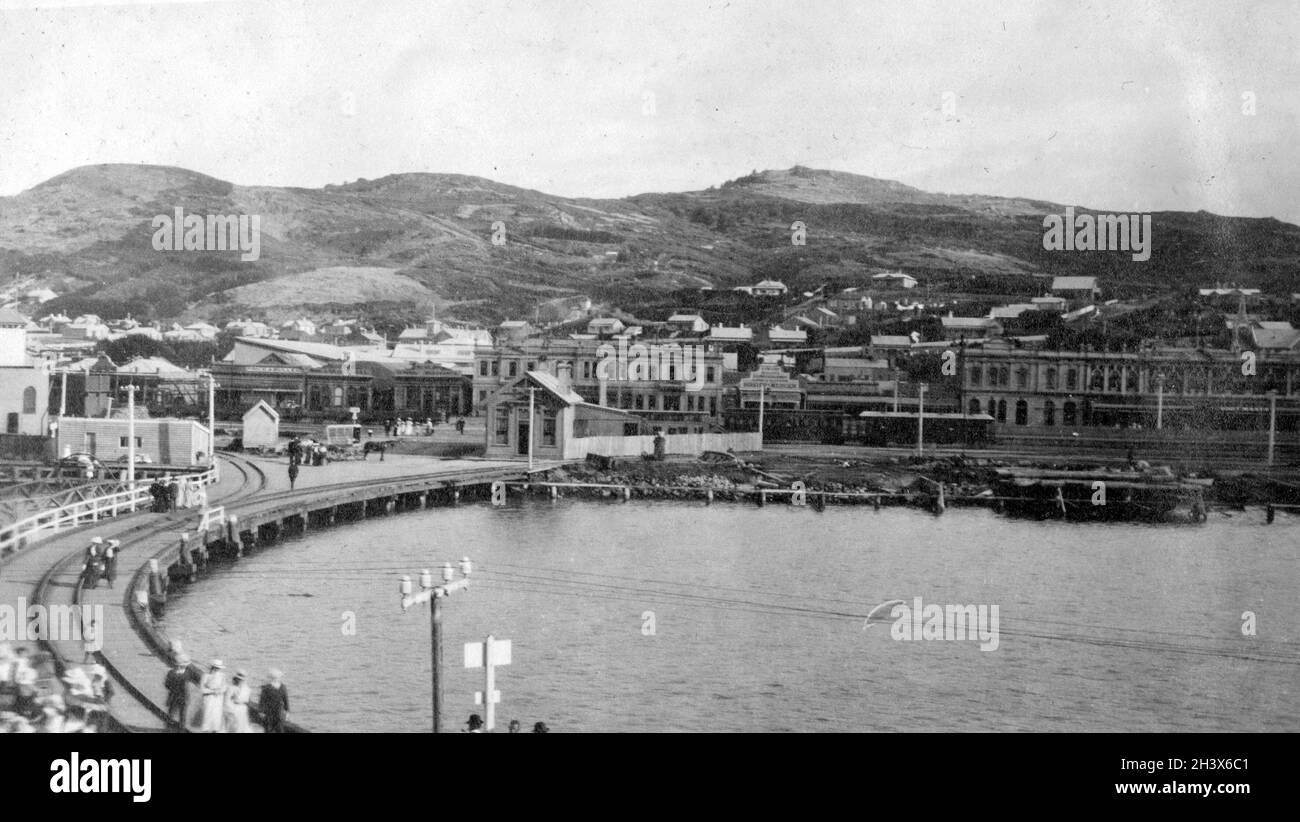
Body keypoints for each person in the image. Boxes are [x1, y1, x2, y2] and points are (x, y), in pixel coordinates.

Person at [164, 655, 191, 731]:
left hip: (173, 696)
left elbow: (166, 685)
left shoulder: (171, 673)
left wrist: (173, 689)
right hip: (183, 697)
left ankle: (168, 729)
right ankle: (181, 730)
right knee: (182, 715)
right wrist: (188, 698)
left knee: (171, 713)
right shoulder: (186, 674)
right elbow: (186, 687)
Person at [199, 660, 227, 732]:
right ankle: (206, 730)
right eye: (215, 668)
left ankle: (216, 730)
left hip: (218, 699)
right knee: (207, 716)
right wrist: (212, 691)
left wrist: (219, 691)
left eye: (218, 668)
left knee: (216, 716)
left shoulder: (222, 676)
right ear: (212, 667)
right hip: (209, 698)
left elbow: (224, 687)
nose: (217, 670)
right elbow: (202, 689)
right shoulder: (206, 676)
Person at [259, 668, 290, 733]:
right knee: (268, 729)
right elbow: (262, 700)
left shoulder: (283, 687)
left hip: (279, 712)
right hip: (269, 712)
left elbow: (286, 700)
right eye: (276, 678)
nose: (277, 679)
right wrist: (261, 711)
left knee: (280, 729)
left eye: (278, 677)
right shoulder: (266, 688)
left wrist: (287, 711)